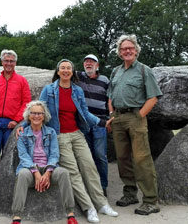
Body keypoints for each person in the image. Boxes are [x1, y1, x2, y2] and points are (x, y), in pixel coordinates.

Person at [18, 59, 118, 223]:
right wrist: (24, 124)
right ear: (58, 71)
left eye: (69, 68)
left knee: (90, 167)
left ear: (72, 72)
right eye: (62, 68)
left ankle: (101, 204)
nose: (65, 71)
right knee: (73, 172)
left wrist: (101, 122)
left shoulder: (77, 90)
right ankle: (89, 208)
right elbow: (38, 108)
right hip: (59, 136)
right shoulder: (49, 90)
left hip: (77, 134)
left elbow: (85, 113)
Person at [107, 34, 163, 215]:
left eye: (130, 48)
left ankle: (150, 200)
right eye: (123, 49)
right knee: (122, 159)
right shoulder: (116, 71)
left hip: (135, 117)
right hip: (118, 118)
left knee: (142, 159)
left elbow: (153, 97)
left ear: (136, 50)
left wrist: (139, 115)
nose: (127, 51)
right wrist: (112, 114)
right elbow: (110, 96)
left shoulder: (144, 70)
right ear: (119, 52)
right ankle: (130, 193)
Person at [11, 101, 78, 224]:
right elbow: (24, 156)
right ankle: (17, 217)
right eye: (33, 113)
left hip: (49, 168)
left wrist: (47, 173)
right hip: (30, 170)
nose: (36, 116)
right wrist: (36, 173)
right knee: (22, 174)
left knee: (63, 173)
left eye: (39, 113)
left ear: (44, 115)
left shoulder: (51, 132)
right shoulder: (22, 134)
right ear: (28, 116)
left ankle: (70, 215)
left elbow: (54, 154)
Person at [0, 49, 31, 186]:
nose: (9, 63)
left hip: (12, 125)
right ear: (2, 62)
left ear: (15, 63)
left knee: (8, 157)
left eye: (11, 61)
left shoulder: (22, 81)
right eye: (6, 61)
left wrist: (16, 120)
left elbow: (26, 102)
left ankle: (6, 185)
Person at [76, 54, 110, 197]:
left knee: (100, 155)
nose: (88, 64)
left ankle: (102, 186)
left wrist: (110, 118)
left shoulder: (105, 80)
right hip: (84, 123)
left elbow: (110, 99)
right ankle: (89, 185)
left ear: (97, 66)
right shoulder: (79, 77)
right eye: (86, 62)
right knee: (86, 156)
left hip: (101, 122)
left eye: (92, 62)